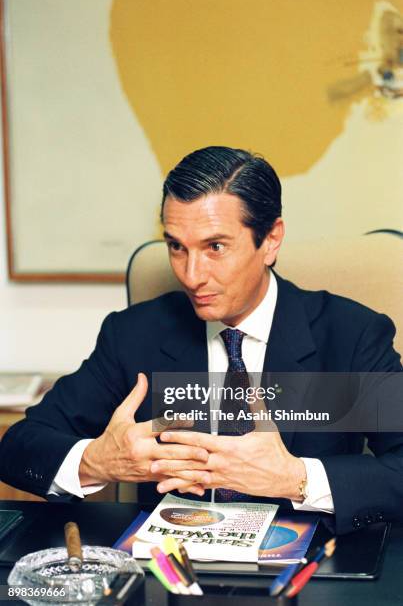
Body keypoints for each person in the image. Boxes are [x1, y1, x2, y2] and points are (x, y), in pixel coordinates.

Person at [0, 146, 402, 536]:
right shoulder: (135, 334)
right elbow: (19, 447)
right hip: (169, 570)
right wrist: (97, 461)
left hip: (308, 572)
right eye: (176, 246)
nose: (192, 275)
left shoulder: (351, 335)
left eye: (215, 247)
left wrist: (296, 478)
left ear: (271, 240)